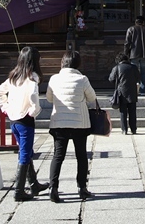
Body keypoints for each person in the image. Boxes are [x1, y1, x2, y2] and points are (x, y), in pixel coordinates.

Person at [0, 46, 48, 202]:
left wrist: (5, 107)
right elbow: (33, 94)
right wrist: (34, 110)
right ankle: (18, 191)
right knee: (25, 154)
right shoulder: (32, 77)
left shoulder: (13, 77)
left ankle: (34, 184)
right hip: (25, 120)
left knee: (26, 151)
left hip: (13, 119)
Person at [46, 50, 97, 203]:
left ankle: (53, 187)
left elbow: (49, 98)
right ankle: (82, 188)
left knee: (58, 155)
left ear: (63, 62)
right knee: (81, 156)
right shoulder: (82, 79)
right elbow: (92, 97)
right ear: (77, 64)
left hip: (59, 122)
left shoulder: (54, 79)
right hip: (79, 123)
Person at [109, 53, 141, 135]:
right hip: (132, 92)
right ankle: (133, 129)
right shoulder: (133, 67)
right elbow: (138, 77)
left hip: (121, 93)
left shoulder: (116, 68)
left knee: (123, 112)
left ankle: (124, 129)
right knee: (132, 112)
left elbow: (111, 79)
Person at [124, 15, 145, 95]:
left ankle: (134, 89)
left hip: (133, 54)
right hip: (144, 55)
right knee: (143, 72)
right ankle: (143, 90)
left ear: (135, 22)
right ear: (143, 22)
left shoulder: (131, 29)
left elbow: (127, 42)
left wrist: (126, 53)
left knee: (134, 73)